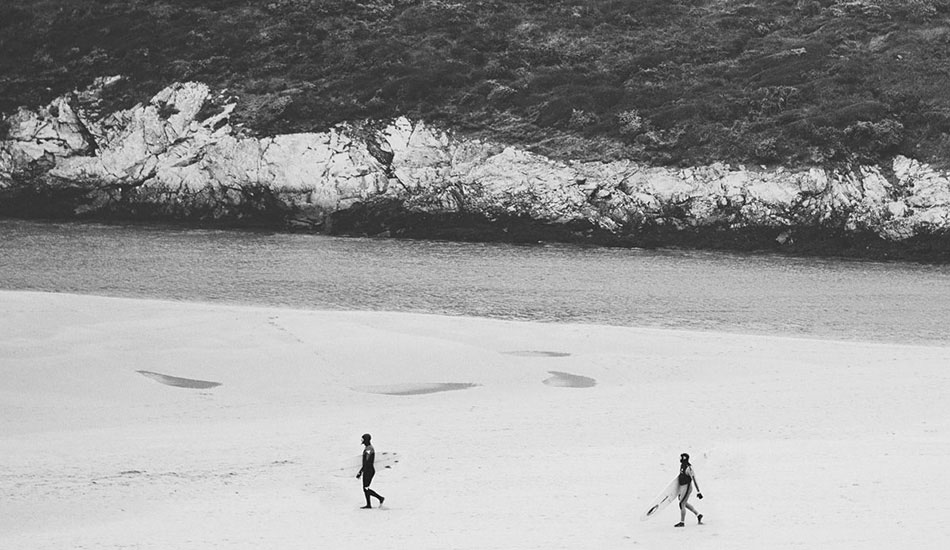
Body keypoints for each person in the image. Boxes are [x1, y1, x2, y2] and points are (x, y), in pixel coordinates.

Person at [356, 433, 385, 509]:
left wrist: (360, 471)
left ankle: (380, 498)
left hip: (369, 470)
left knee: (366, 488)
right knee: (365, 488)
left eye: (363, 439)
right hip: (367, 470)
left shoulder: (369, 449)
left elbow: (367, 462)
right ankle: (368, 504)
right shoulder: (368, 448)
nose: (362, 441)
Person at [674, 452, 703, 527]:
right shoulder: (682, 465)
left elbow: (694, 479)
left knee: (681, 504)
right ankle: (698, 514)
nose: (679, 459)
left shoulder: (689, 468)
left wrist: (698, 492)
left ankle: (682, 522)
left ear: (684, 458)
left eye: (680, 457)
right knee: (684, 503)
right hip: (682, 487)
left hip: (687, 487)